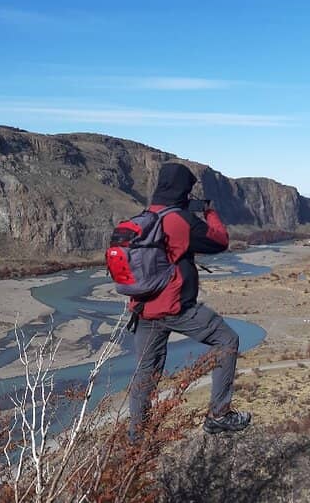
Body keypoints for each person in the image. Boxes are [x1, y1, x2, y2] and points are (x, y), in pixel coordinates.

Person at [128, 162, 252, 437]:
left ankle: (136, 438)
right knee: (227, 340)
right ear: (184, 190)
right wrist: (209, 212)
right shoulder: (179, 221)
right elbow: (219, 241)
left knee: (145, 375)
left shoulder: (144, 217)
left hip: (143, 309)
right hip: (176, 308)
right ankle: (219, 414)